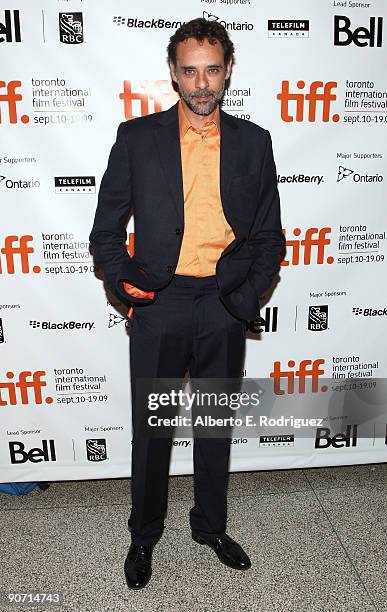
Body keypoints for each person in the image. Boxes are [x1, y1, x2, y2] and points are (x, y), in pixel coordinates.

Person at [89, 17, 285, 590]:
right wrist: (127, 288)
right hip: (162, 301)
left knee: (215, 427)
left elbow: (270, 236)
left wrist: (245, 297)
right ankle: (145, 534)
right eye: (190, 70)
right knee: (152, 429)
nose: (202, 83)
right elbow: (106, 231)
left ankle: (210, 526)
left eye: (212, 70)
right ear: (173, 74)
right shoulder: (137, 137)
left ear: (227, 71)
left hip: (222, 303)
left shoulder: (254, 141)